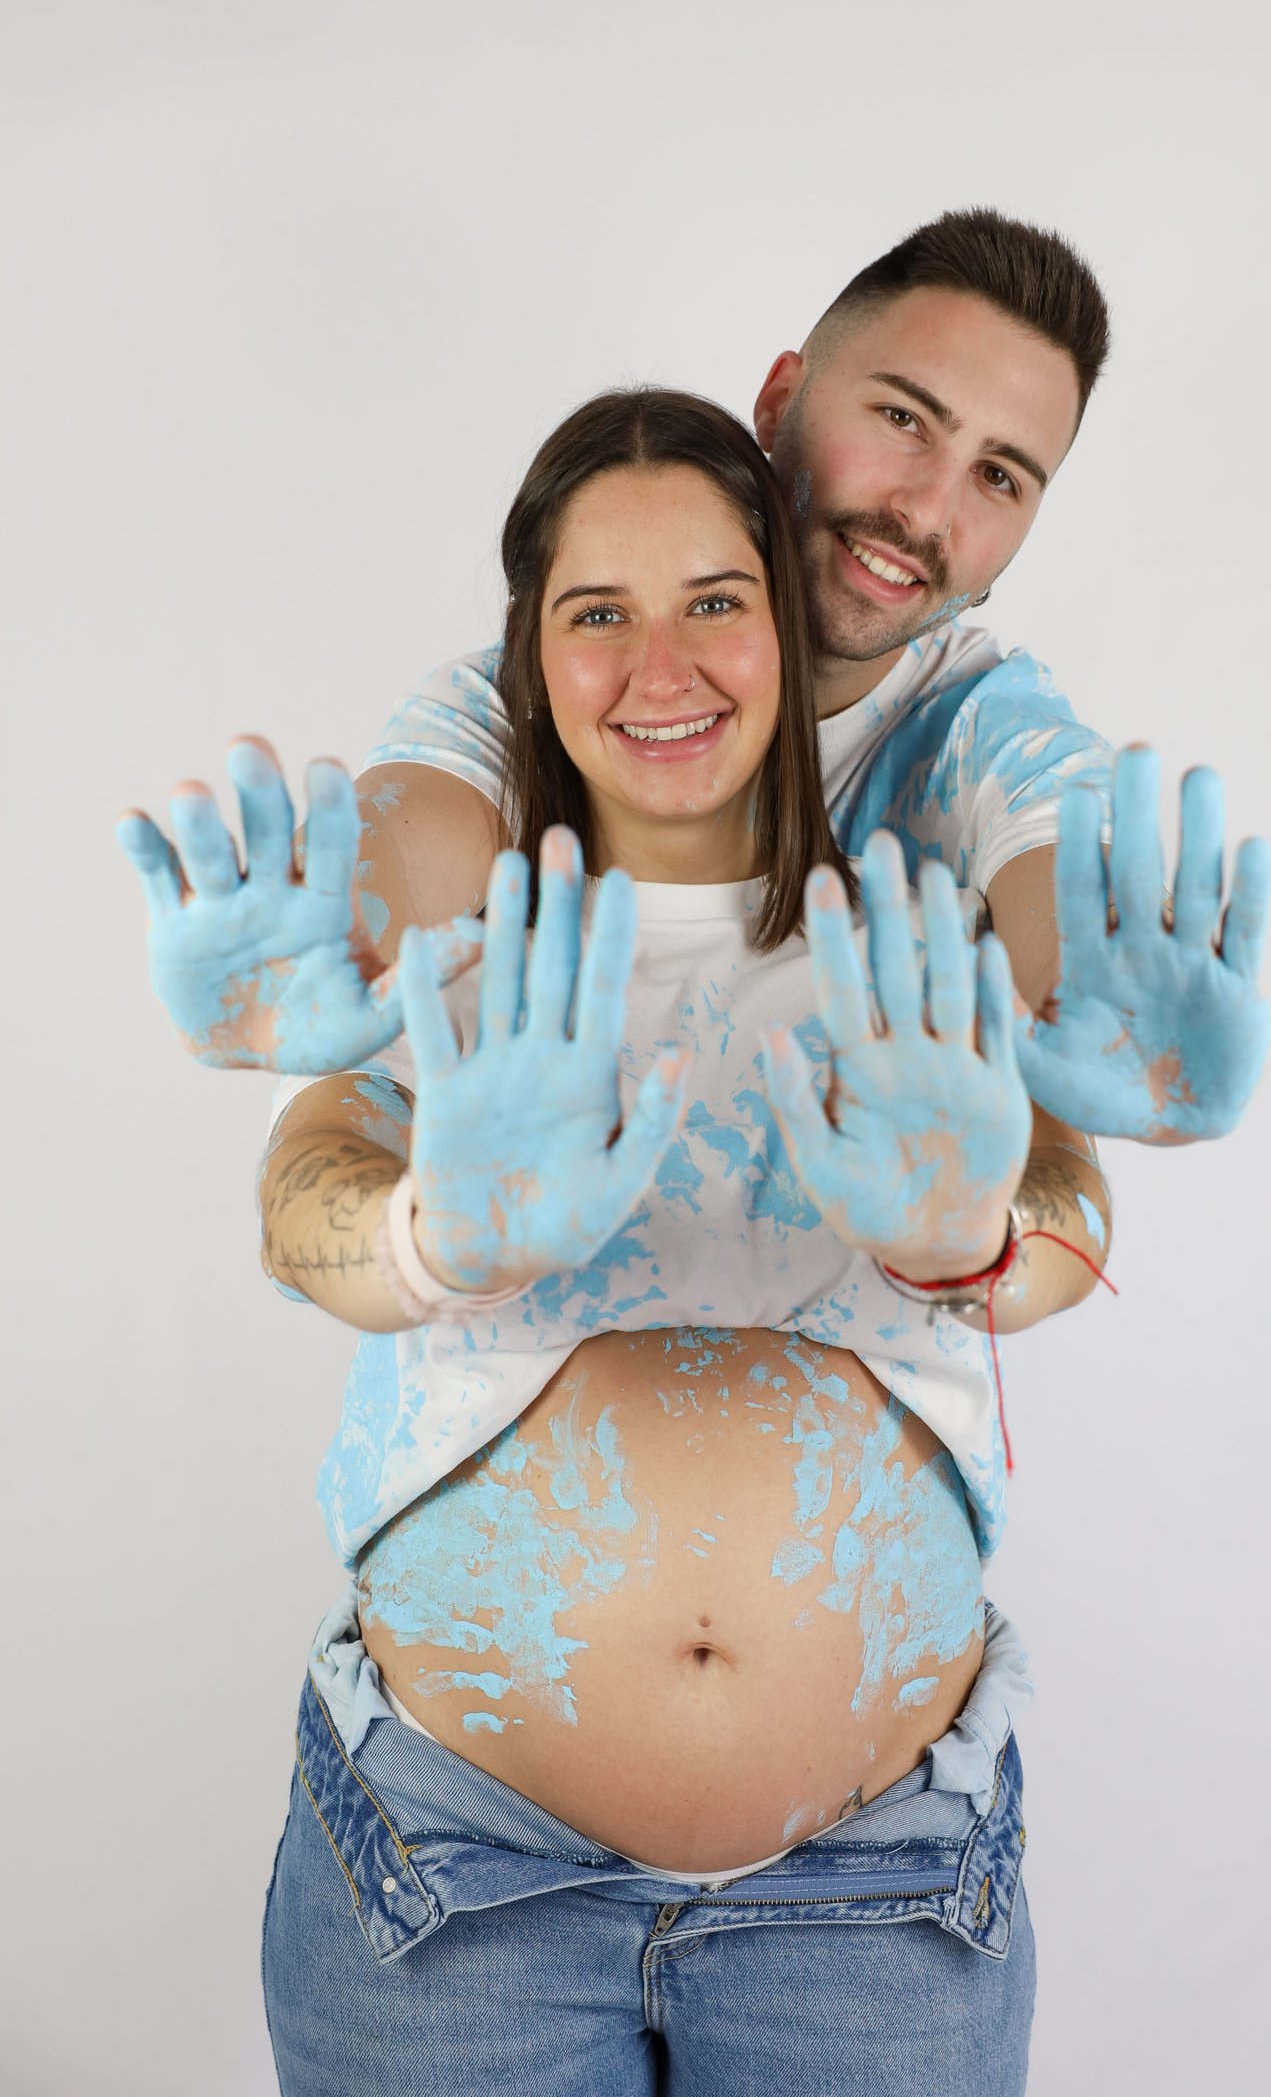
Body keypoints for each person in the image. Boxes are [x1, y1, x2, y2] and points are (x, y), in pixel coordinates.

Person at [257, 387, 1119, 2095]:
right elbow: (303, 1206)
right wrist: (437, 1234)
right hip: (454, 1882)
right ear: (531, 650)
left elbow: (1069, 1220)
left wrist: (967, 1234)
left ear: (788, 631)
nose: (661, 667)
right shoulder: (460, 930)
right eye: (599, 613)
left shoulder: (915, 934)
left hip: (876, 1896)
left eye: (715, 601)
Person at [116, 207, 1271, 1152]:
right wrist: (332, 942)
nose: (928, 509)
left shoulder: (989, 729)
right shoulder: (553, 691)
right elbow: (421, 824)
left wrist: (1104, 1014)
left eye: (1001, 477)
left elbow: (1057, 864)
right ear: (779, 400)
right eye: (903, 418)